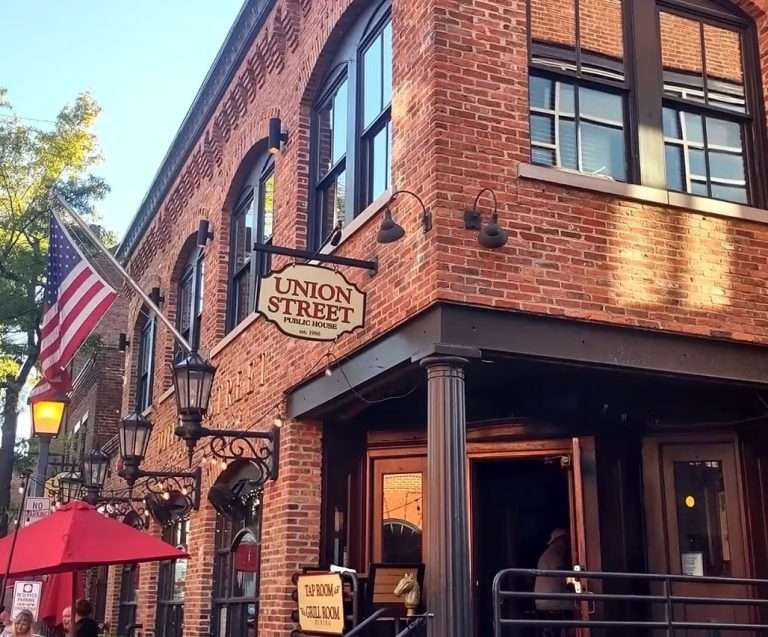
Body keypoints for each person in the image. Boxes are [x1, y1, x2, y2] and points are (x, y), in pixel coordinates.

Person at [534, 529, 572, 637]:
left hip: (543, 601)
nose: (567, 544)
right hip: (552, 601)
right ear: (559, 541)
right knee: (581, 606)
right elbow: (564, 578)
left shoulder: (547, 555)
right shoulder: (554, 555)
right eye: (565, 541)